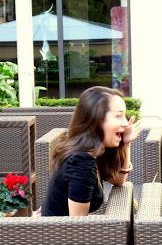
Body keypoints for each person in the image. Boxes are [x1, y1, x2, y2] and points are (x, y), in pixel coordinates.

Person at [41, 86, 142, 217]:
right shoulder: (81, 162)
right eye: (118, 116)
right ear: (96, 120)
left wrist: (125, 144)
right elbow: (78, 224)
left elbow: (118, 181)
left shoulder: (94, 151)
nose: (126, 123)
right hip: (59, 230)